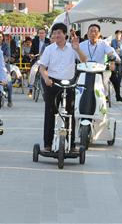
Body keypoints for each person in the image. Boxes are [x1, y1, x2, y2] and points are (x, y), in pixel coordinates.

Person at [38, 22, 87, 152]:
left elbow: (84, 60)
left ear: (65, 35)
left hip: (69, 83)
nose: (56, 35)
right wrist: (46, 78)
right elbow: (42, 67)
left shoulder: (73, 47)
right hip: (53, 83)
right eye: (54, 33)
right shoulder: (49, 49)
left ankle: (71, 145)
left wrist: (77, 49)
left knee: (69, 113)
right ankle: (47, 144)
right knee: (50, 112)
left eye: (59, 33)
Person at [78, 23, 120, 98]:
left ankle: (105, 96)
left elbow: (111, 53)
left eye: (96, 31)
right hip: (84, 70)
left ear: (99, 34)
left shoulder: (104, 44)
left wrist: (112, 61)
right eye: (91, 31)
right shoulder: (81, 45)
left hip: (98, 70)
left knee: (104, 82)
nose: (93, 33)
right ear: (87, 33)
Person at [0, 30, 12, 107]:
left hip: (4, 66)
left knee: (9, 83)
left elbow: (7, 56)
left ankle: (10, 100)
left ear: (3, 38)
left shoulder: (6, 45)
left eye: (0, 37)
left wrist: (2, 62)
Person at [110, 30, 122, 102]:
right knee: (113, 77)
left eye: (120, 34)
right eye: (117, 34)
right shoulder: (112, 41)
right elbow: (110, 51)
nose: (118, 36)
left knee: (119, 75)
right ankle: (108, 96)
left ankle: (118, 95)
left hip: (120, 59)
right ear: (115, 34)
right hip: (113, 60)